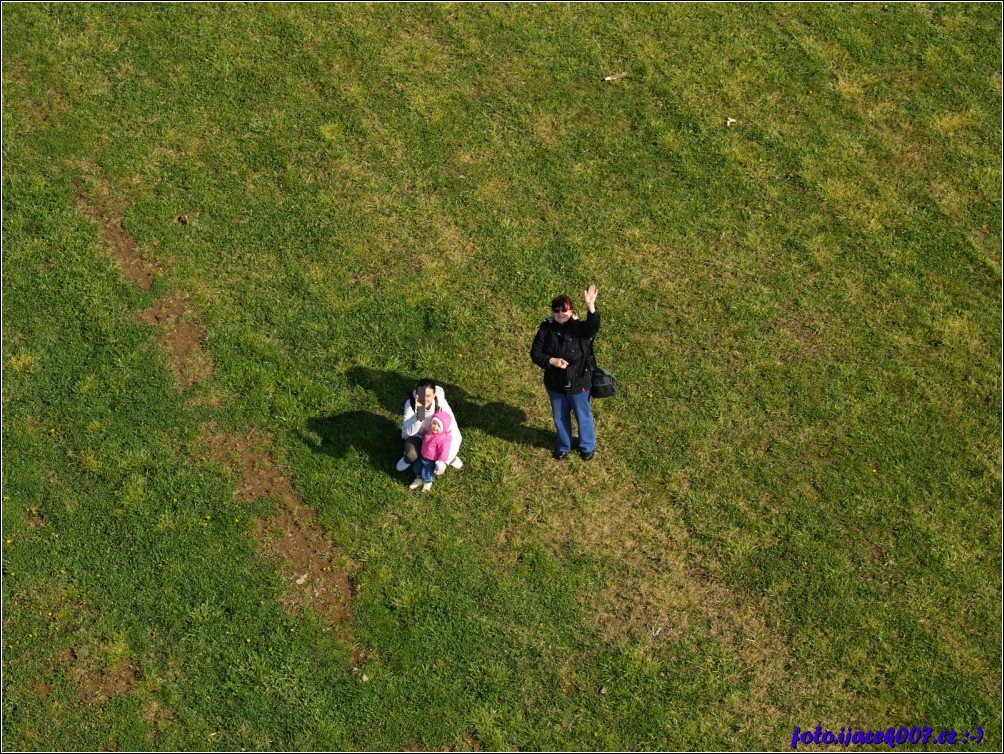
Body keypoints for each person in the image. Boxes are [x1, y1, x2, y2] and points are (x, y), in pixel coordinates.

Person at [530, 284, 601, 460]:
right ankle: (563, 445)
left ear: (571, 311)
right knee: (560, 417)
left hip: (579, 382)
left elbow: (592, 327)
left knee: (583, 415)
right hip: (555, 383)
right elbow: (536, 353)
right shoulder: (546, 328)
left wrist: (591, 307)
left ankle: (587, 446)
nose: (560, 314)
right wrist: (552, 361)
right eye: (556, 310)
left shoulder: (578, 327)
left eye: (564, 310)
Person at [396, 378, 463, 472]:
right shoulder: (410, 404)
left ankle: (451, 458)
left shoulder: (441, 404)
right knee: (412, 454)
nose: (424, 399)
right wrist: (419, 415)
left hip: (436, 435)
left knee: (445, 448)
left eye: (428, 395)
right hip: (417, 435)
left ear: (434, 395)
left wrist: (444, 462)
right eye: (421, 395)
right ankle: (407, 459)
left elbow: (455, 433)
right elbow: (408, 432)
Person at [408, 412, 454, 491]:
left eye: (439, 426)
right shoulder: (429, 432)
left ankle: (427, 482)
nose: (435, 427)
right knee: (417, 467)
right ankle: (419, 479)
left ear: (444, 428)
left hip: (431, 460)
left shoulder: (443, 439)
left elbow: (444, 451)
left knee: (427, 472)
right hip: (423, 456)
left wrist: (441, 462)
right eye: (434, 423)